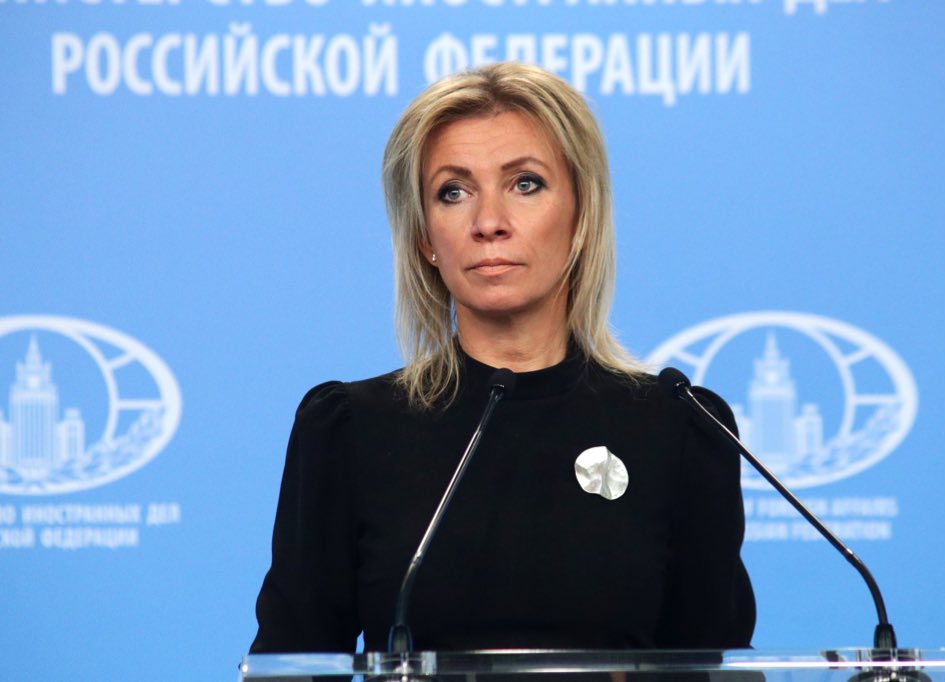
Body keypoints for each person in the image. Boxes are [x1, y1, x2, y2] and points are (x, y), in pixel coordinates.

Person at [250, 62, 755, 654]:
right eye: (453, 192)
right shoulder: (349, 430)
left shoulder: (680, 428)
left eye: (525, 184)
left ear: (582, 216)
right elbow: (291, 663)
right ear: (424, 237)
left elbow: (716, 664)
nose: (489, 223)